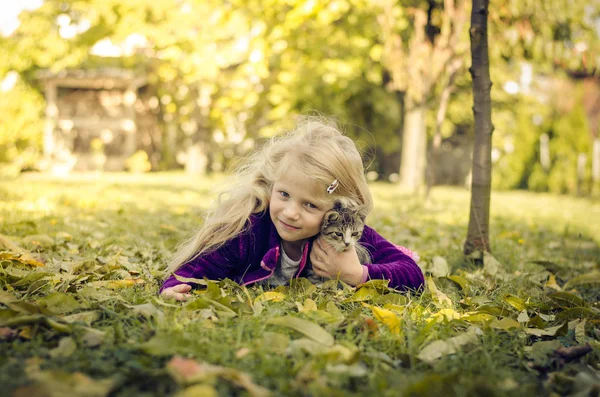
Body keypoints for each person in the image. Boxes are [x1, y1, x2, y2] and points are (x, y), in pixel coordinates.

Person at [160, 118, 424, 301]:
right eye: (284, 194)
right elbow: (196, 269)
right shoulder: (249, 230)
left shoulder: (343, 234)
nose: (289, 212)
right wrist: (173, 288)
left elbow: (413, 274)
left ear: (337, 208)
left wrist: (359, 274)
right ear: (272, 184)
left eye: (309, 204)